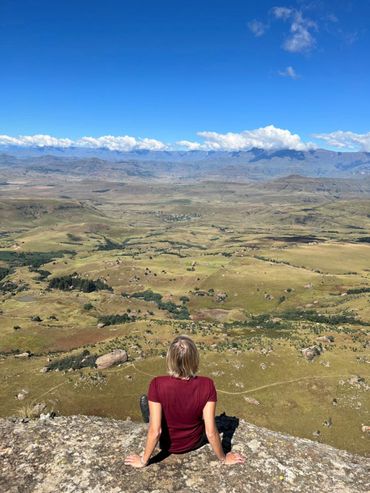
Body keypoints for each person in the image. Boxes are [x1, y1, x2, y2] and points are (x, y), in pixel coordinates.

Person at [124, 335, 245, 467]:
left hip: (166, 445)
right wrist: (224, 458)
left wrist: (143, 460)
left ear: (170, 359)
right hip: (194, 442)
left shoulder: (157, 384)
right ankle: (153, 415)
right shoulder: (207, 384)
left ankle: (151, 416)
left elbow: (155, 431)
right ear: (195, 360)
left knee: (153, 412)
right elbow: (210, 431)